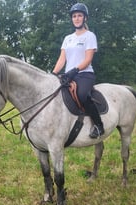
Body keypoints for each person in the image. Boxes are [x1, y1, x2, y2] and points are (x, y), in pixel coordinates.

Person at [52, 3, 104, 139]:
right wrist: (53, 74)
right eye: (74, 16)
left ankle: (99, 126)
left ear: (85, 18)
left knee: (81, 95)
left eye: (79, 15)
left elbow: (88, 59)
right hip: (68, 75)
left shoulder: (89, 36)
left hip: (85, 74)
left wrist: (74, 70)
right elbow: (61, 60)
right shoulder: (67, 38)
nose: (77, 18)